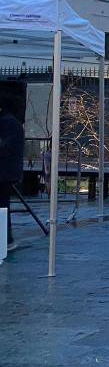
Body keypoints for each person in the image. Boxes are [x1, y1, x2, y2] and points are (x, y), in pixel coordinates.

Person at [0, 98, 25, 253]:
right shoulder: (12, 123)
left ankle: (6, 239)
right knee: (3, 206)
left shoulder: (8, 123)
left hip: (4, 172)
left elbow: (5, 148)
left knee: (2, 206)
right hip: (7, 172)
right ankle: (6, 238)